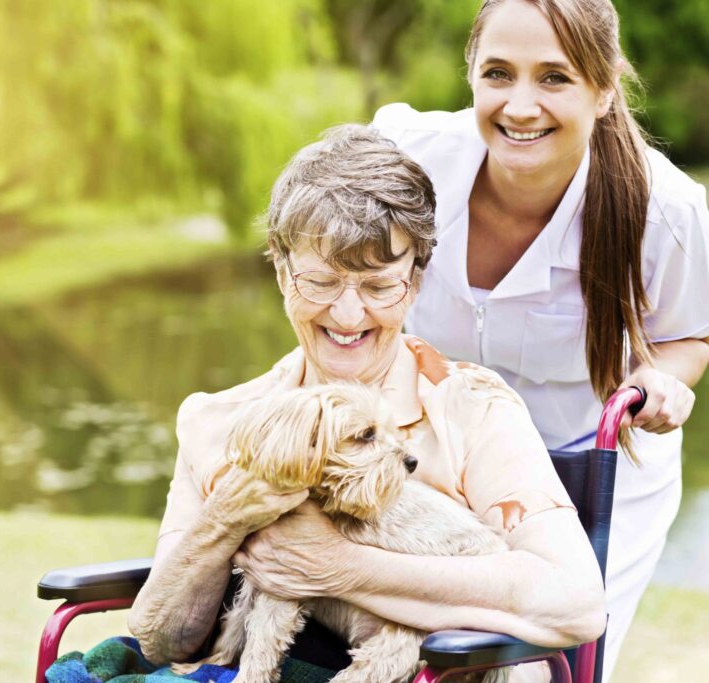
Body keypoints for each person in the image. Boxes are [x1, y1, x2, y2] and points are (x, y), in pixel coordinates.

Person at [127, 124, 605, 683]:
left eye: (379, 287)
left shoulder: (473, 409)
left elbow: (576, 604)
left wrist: (339, 567)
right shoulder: (221, 421)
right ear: (282, 273)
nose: (349, 317)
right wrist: (224, 520)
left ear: (417, 283)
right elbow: (162, 640)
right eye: (321, 282)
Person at [369, 1, 709, 679]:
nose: (520, 106)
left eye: (554, 78)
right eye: (499, 73)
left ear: (605, 87)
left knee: (544, 662)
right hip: (439, 460)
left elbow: (688, 335)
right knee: (413, 649)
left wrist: (656, 381)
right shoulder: (411, 162)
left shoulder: (665, 213)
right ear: (471, 74)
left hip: (589, 470)